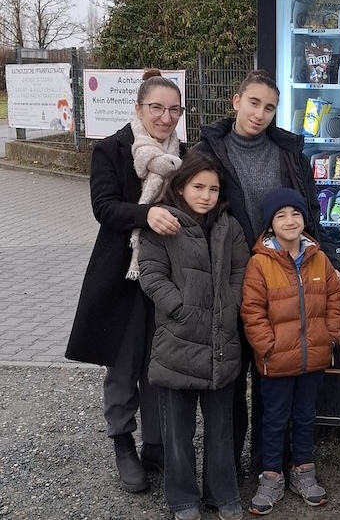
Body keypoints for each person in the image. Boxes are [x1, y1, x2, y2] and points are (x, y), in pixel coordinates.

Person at [193, 70, 340, 475]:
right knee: (228, 378)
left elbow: (307, 211)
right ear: (236, 100)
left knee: (271, 377)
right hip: (228, 276)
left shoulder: (287, 152)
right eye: (254, 102)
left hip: (279, 275)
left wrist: (328, 258)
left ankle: (267, 466)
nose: (260, 113)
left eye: (270, 107)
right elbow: (192, 209)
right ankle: (225, 473)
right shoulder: (208, 151)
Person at [65, 69, 185, 493]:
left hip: (168, 275)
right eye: (157, 108)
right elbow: (104, 207)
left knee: (159, 363)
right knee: (123, 363)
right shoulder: (112, 149)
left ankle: (155, 445)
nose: (166, 117)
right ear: (138, 108)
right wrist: (145, 214)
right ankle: (122, 444)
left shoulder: (184, 155)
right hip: (122, 273)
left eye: (174, 109)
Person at [138, 151, 250, 520]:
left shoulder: (228, 226)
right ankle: (183, 498)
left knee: (220, 426)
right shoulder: (165, 224)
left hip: (220, 339)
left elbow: (240, 270)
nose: (206, 195)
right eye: (198, 187)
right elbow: (151, 272)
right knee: (177, 429)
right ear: (181, 186)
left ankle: (222, 493)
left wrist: (230, 308)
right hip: (178, 340)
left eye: (213, 189)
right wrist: (179, 307)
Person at [240, 187, 340, 514]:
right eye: (281, 215)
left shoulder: (319, 258)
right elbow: (252, 310)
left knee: (304, 417)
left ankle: (304, 470)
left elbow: (334, 299)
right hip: (276, 361)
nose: (290, 220)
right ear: (270, 224)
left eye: (296, 214)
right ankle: (271, 477)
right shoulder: (260, 263)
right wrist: (266, 347)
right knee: (273, 420)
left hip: (313, 357)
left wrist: (331, 336)